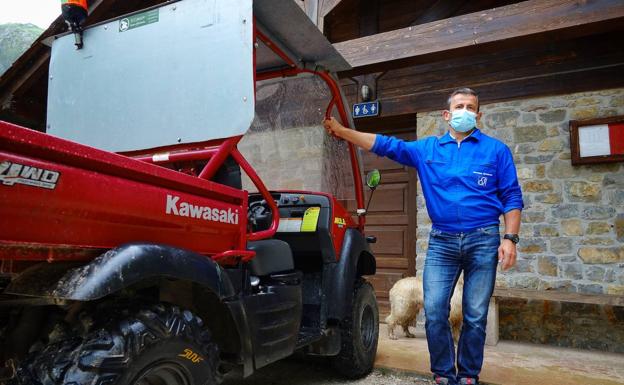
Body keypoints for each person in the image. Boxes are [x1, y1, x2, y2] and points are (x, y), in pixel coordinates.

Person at [323, 88, 523, 385]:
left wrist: (510, 238)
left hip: (484, 238)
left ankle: (468, 375)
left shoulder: (496, 151)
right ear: (447, 114)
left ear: (478, 115)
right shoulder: (428, 149)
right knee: (434, 309)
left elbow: (511, 197)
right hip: (443, 241)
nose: (464, 111)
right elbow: (385, 145)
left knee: (475, 314)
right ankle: (443, 373)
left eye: (470, 107)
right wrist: (343, 131)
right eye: (459, 106)